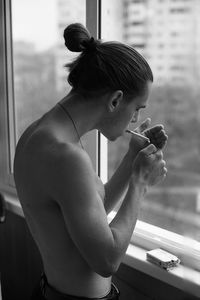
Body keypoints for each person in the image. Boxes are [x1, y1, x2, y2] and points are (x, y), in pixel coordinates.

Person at [13, 23, 168, 300]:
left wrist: (132, 157)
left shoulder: (41, 135)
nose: (135, 119)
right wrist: (140, 183)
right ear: (115, 100)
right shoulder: (65, 157)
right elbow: (107, 261)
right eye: (136, 109)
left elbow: (89, 210)